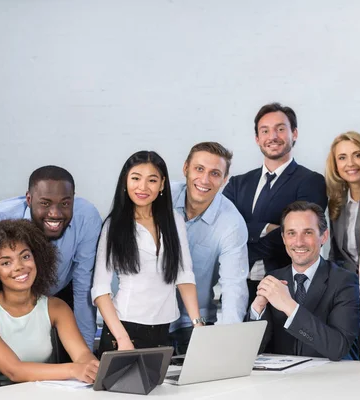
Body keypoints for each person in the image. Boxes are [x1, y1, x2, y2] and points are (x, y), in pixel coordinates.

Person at [0, 165, 102, 349]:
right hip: (2, 305)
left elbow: (83, 289)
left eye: (65, 203)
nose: (55, 213)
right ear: (29, 199)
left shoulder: (87, 218)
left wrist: (86, 353)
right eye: (45, 203)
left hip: (57, 298)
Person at [92, 151, 202, 357]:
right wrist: (123, 340)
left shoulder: (174, 220)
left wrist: (198, 324)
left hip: (163, 329)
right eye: (135, 178)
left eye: (152, 180)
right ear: (125, 181)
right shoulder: (113, 225)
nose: (143, 187)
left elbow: (184, 275)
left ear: (162, 184)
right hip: (124, 330)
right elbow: (100, 289)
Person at [0, 219, 99, 384]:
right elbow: (14, 370)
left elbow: (81, 354)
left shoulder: (56, 307)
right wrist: (73, 369)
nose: (19, 267)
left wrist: (91, 366)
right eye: (6, 262)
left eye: (25, 256)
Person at [223, 103, 327, 305]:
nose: (273, 136)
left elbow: (298, 237)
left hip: (288, 288)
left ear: (294, 133)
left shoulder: (310, 181)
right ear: (257, 139)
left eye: (280, 129)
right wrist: (266, 228)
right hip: (238, 286)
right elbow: (223, 230)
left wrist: (243, 241)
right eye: (265, 130)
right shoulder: (237, 184)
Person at [249, 201, 360, 361]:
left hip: (330, 380)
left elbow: (338, 348)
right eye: (291, 233)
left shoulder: (345, 281)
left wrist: (289, 305)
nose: (299, 242)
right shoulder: (273, 278)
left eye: (307, 232)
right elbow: (254, 350)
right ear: (283, 238)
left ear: (324, 236)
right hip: (281, 382)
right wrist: (258, 309)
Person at [169, 142, 249, 355]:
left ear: (224, 180)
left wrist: (227, 343)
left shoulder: (231, 223)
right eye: (199, 169)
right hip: (149, 318)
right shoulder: (161, 198)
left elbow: (234, 287)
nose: (204, 180)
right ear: (185, 168)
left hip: (194, 324)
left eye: (214, 173)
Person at [325, 132, 360, 273]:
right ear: (336, 165)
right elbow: (335, 254)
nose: (350, 163)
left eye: (358, 155)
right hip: (348, 285)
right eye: (342, 158)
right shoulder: (336, 203)